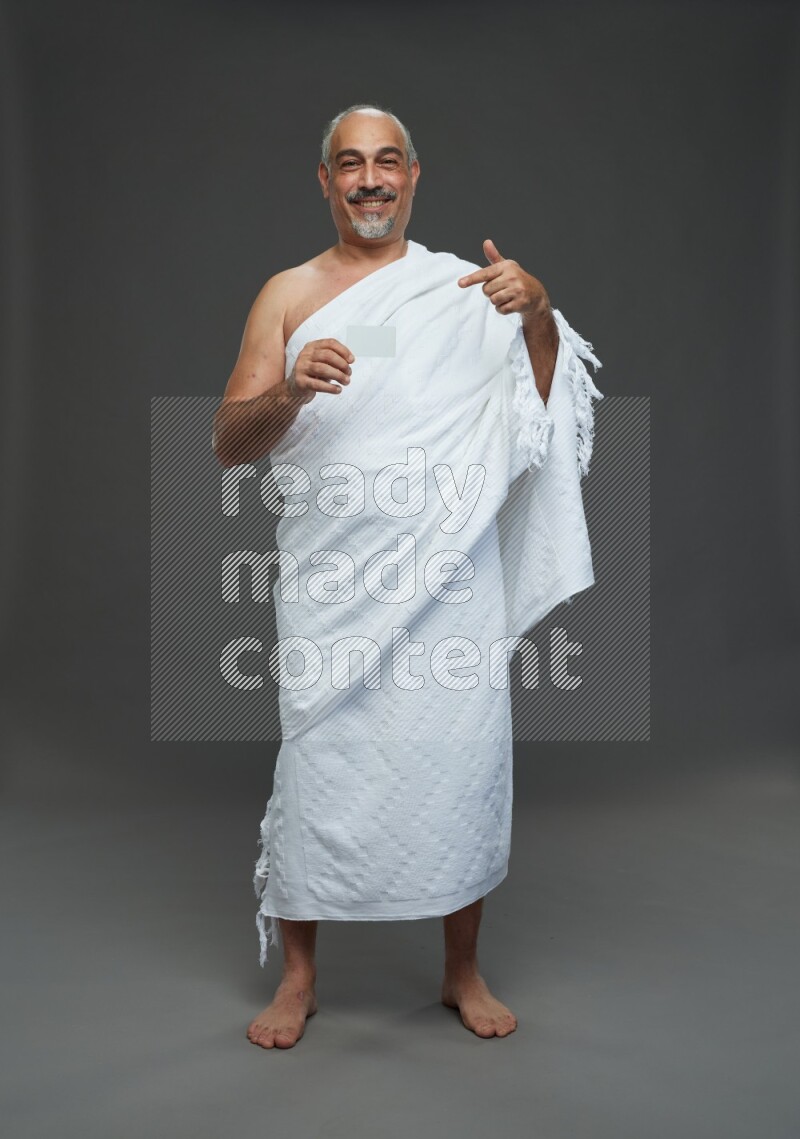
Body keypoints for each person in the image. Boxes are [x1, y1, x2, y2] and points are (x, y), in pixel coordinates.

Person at [212, 103, 603, 1049]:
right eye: (350, 164)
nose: (370, 180)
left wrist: (538, 314)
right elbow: (230, 440)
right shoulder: (288, 295)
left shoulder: (467, 291)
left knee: (457, 762)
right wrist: (292, 388)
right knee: (318, 764)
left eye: (387, 161)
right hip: (332, 583)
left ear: (414, 175)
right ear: (326, 180)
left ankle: (461, 970)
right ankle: (299, 978)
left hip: (449, 582)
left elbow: (540, 413)